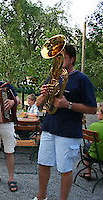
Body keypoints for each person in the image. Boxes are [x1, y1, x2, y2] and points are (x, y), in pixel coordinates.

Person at [33, 45, 97, 200]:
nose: (59, 60)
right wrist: (43, 95)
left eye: (63, 57)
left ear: (72, 59)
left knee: (65, 169)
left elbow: (93, 109)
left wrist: (68, 105)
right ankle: (41, 197)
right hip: (49, 128)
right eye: (57, 57)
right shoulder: (53, 77)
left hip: (68, 132)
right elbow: (38, 104)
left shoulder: (82, 79)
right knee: (43, 164)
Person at [78, 102, 103, 180]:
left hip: (96, 155)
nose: (97, 114)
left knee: (87, 148)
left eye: (98, 112)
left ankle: (87, 172)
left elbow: (92, 142)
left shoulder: (94, 126)